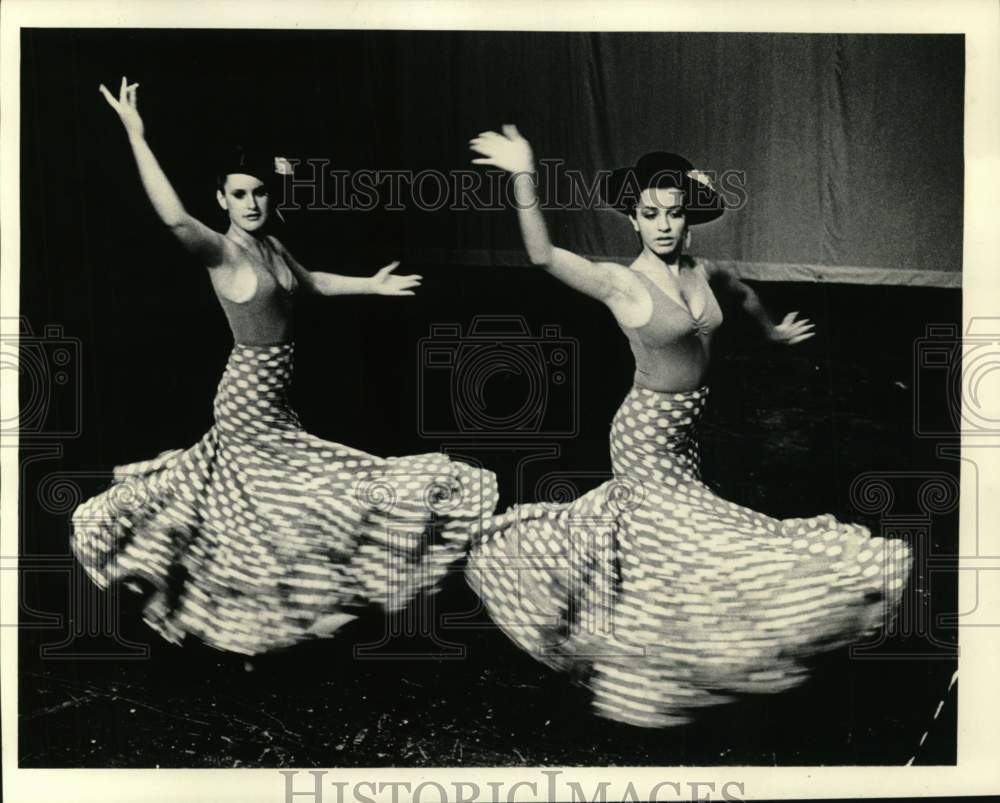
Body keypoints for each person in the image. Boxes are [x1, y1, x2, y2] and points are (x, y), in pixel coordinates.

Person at [465, 125, 912, 728]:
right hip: (644, 441)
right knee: (694, 539)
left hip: (685, 442)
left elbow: (741, 293)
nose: (664, 225)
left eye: (674, 212)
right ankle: (649, 667)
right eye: (650, 214)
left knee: (667, 549)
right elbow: (543, 257)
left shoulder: (704, 272)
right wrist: (523, 173)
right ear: (633, 220)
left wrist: (773, 332)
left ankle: (652, 640)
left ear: (688, 216)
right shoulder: (623, 283)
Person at [70, 78, 498, 656]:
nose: (251, 204)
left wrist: (371, 284)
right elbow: (173, 218)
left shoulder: (269, 247)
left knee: (273, 509)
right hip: (247, 404)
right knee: (309, 496)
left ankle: (301, 607)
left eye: (259, 194)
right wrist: (136, 134)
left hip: (275, 403)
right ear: (220, 199)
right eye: (239, 194)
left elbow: (313, 282)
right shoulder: (221, 252)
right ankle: (299, 612)